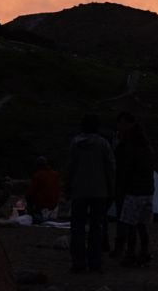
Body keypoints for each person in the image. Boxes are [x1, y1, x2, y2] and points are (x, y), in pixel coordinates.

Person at [63, 114, 115, 273]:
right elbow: (110, 168)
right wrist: (111, 189)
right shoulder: (103, 144)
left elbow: (70, 167)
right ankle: (95, 262)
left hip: (79, 191)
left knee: (77, 227)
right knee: (96, 227)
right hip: (100, 191)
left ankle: (78, 262)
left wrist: (67, 187)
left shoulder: (75, 144)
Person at [114, 113, 155, 267]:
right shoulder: (147, 147)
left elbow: (124, 168)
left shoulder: (129, 146)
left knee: (130, 224)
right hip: (148, 191)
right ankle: (144, 252)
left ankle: (130, 254)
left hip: (133, 191)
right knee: (142, 224)